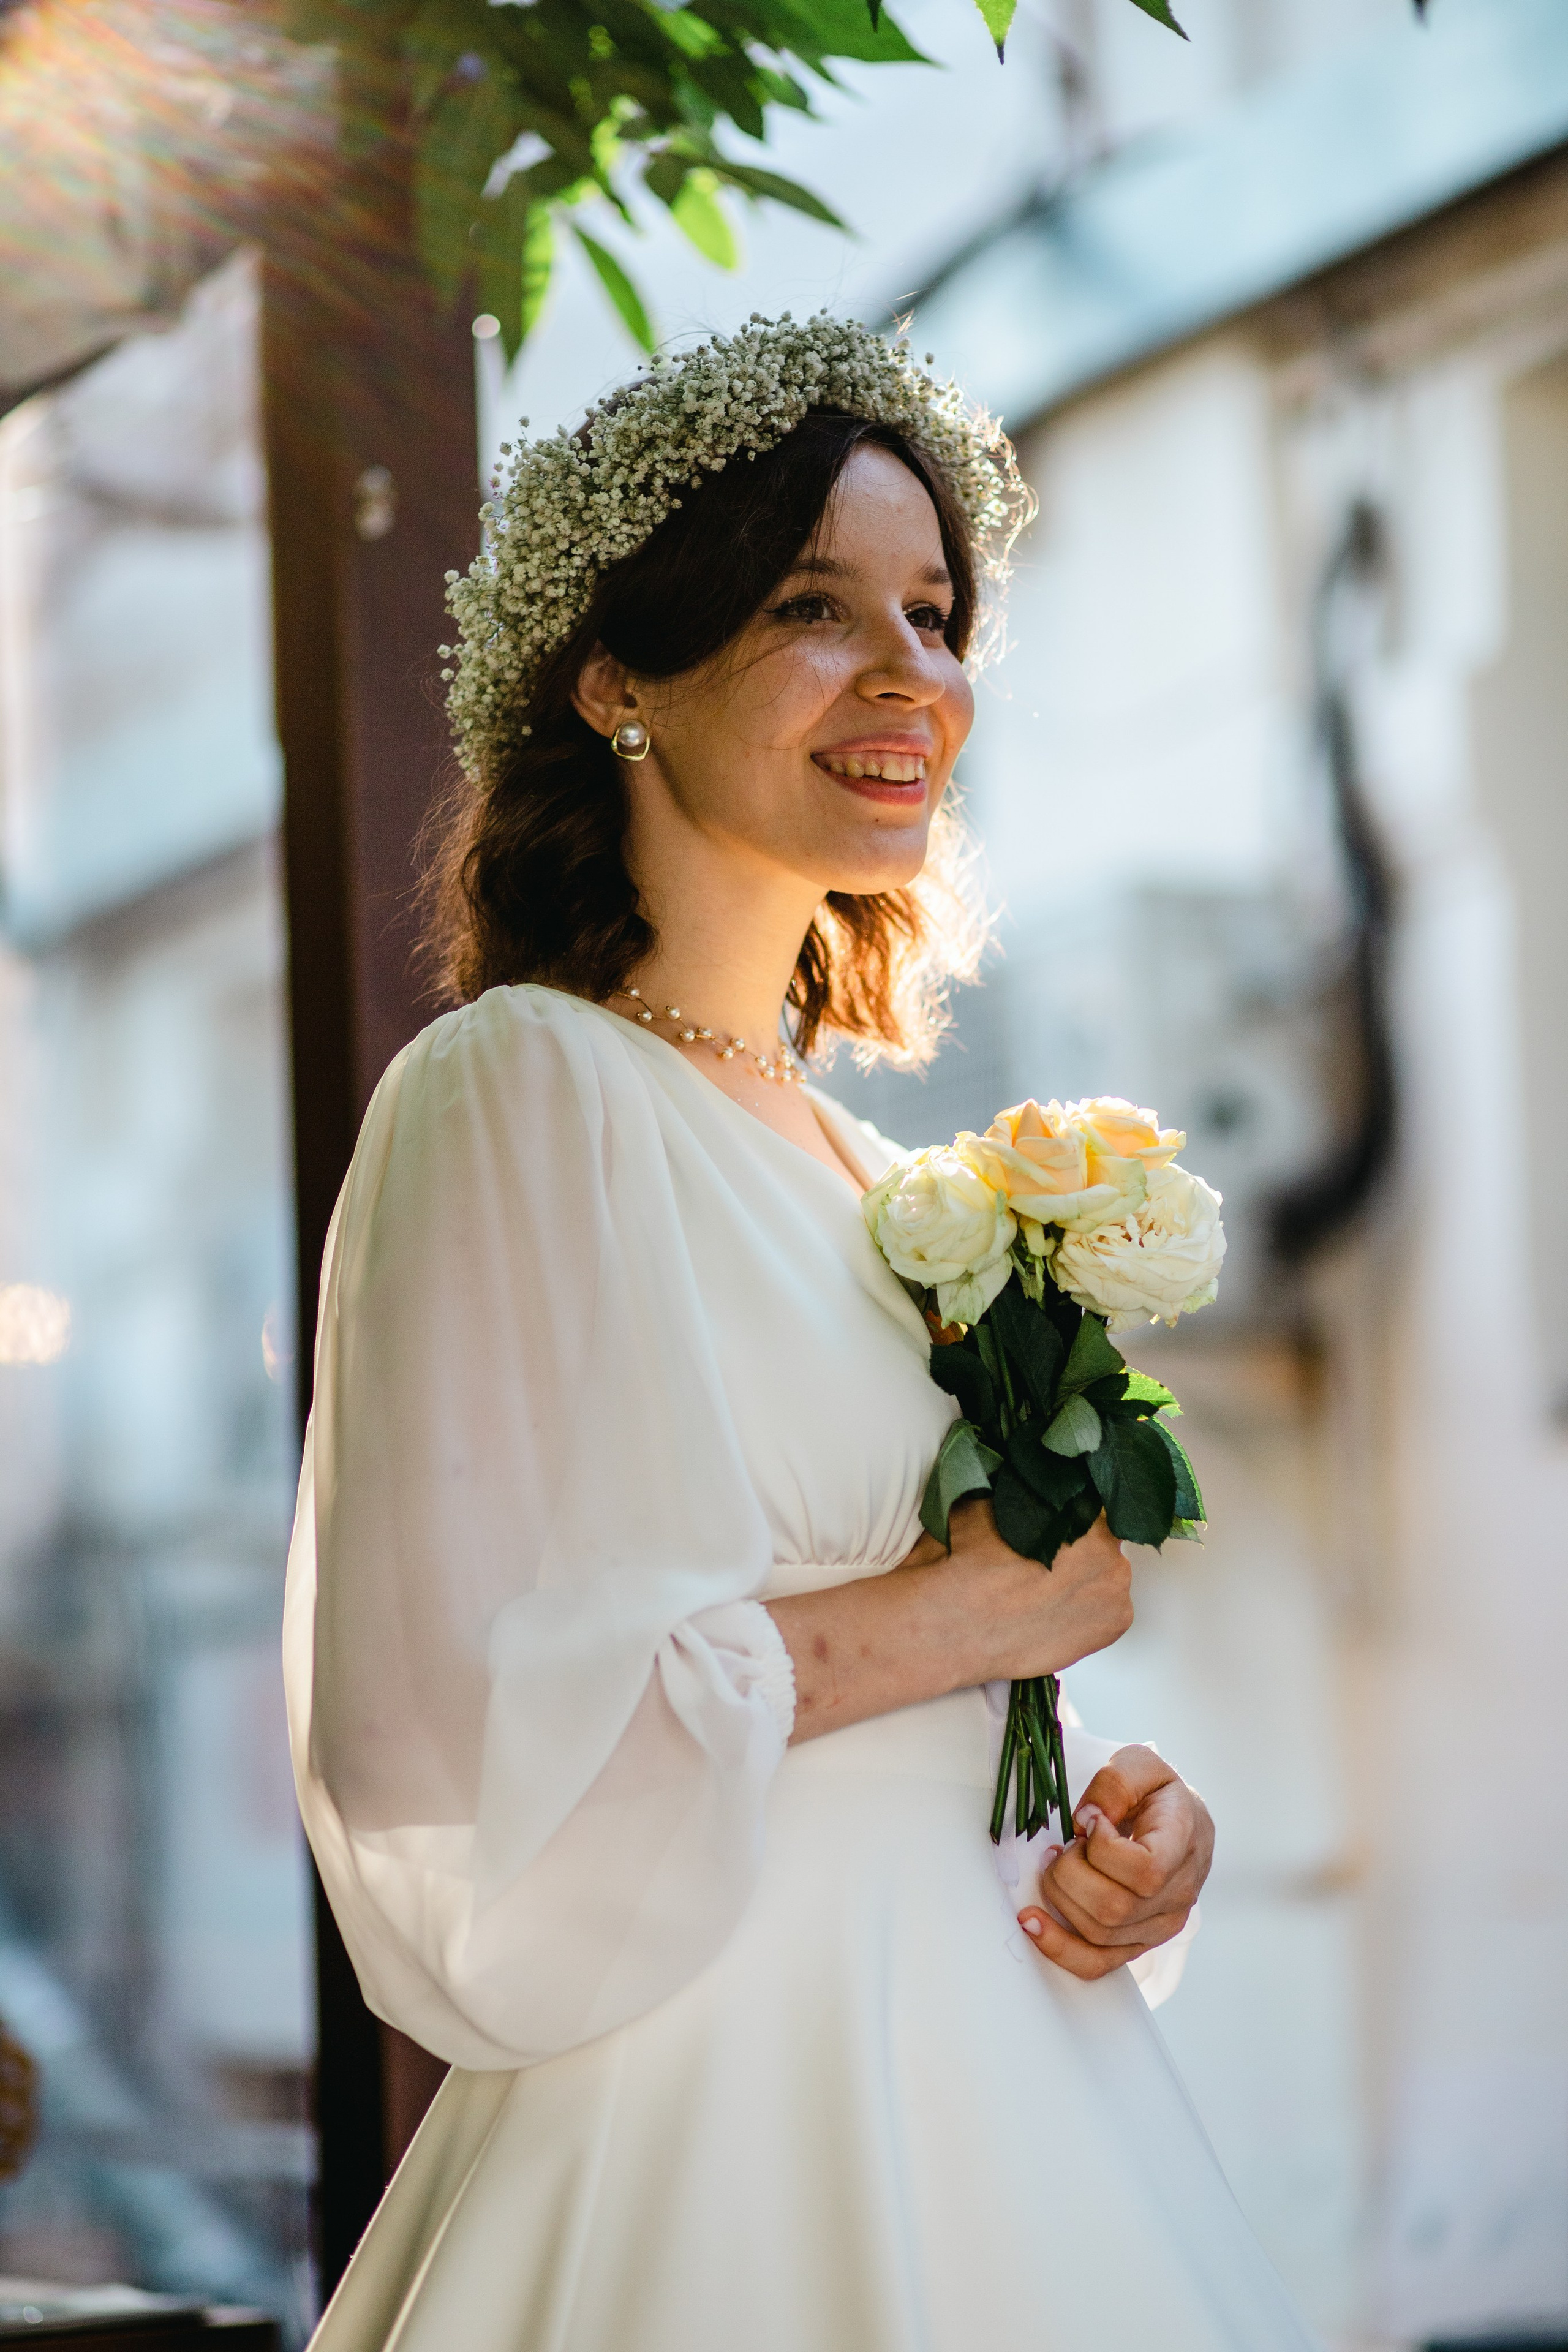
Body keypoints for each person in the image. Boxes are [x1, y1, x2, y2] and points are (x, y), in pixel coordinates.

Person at [285, 316, 1317, 2350]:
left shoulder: (876, 1171)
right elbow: (428, 1734)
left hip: (1008, 2082)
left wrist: (1099, 1809)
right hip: (704, 2112)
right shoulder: (513, 1089)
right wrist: (962, 1624)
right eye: (809, 608)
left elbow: (861, 1642)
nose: (908, 678)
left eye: (934, 618)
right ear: (615, 678)